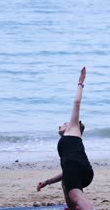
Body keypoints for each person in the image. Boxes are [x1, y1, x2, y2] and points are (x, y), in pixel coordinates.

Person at [37, 67, 94, 210]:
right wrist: (48, 181)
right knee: (68, 188)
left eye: (64, 123)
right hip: (79, 170)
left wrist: (80, 82)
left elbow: (76, 103)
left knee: (75, 196)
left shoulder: (73, 129)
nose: (60, 125)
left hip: (79, 168)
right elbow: (66, 172)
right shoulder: (71, 141)